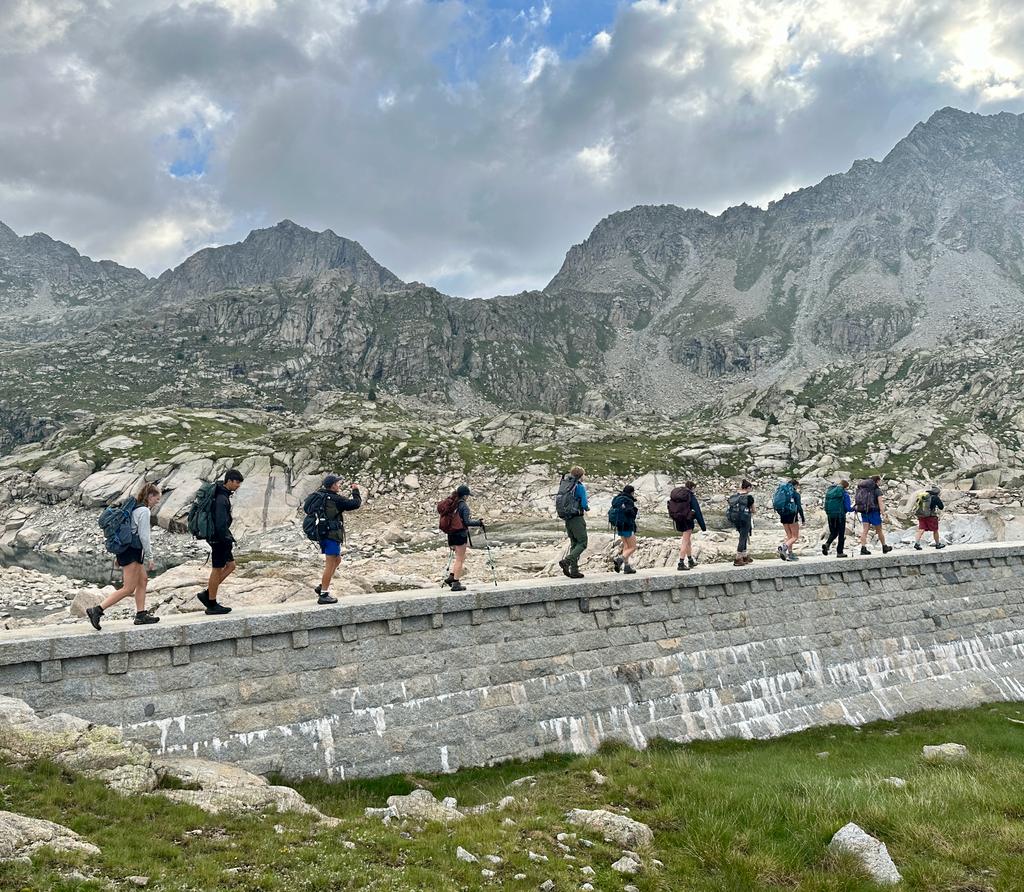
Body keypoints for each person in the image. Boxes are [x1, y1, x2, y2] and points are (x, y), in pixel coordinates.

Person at [86, 483, 162, 630]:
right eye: (157, 499)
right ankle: (97, 610)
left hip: (128, 550)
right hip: (132, 551)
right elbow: (144, 537)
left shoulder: (132, 507)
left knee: (143, 580)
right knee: (128, 588)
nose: (157, 502)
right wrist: (150, 557)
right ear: (150, 496)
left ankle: (141, 615)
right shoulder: (144, 511)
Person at [195, 469, 244, 615]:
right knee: (217, 568)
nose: (238, 486)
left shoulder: (220, 494)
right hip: (218, 539)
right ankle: (211, 603)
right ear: (229, 481)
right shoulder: (222, 498)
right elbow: (221, 523)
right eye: (237, 482)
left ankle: (208, 594)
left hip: (218, 537)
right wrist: (226, 540)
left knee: (231, 565)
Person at [312, 475, 362, 605]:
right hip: (331, 535)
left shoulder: (321, 495)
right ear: (333, 485)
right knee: (330, 563)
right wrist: (355, 490)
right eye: (338, 483)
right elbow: (355, 504)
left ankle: (323, 584)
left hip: (323, 534)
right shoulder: (335, 499)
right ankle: (323, 594)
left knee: (337, 559)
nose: (339, 485)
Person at [441, 484, 485, 592]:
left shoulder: (452, 504)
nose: (468, 497)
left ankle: (452, 576)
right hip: (460, 534)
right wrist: (479, 523)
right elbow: (467, 522)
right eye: (467, 495)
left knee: (460, 557)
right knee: (460, 559)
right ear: (465, 496)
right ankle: (456, 583)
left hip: (451, 534)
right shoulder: (463, 506)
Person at [555, 466, 589, 579]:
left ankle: (574, 571)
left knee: (574, 543)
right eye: (584, 474)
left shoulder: (566, 485)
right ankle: (567, 561)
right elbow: (584, 504)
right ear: (580, 476)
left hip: (567, 518)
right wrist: (587, 508)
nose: (584, 476)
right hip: (577, 518)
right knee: (583, 542)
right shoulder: (579, 487)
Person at [667, 481, 706, 571]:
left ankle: (690, 560)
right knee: (685, 541)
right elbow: (698, 512)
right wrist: (703, 527)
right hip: (687, 521)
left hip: (678, 520)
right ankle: (681, 563)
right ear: (692, 488)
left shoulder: (678, 496)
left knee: (688, 541)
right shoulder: (690, 496)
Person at [855, 475, 893, 556]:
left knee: (865, 530)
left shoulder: (863, 488)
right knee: (879, 530)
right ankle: (884, 546)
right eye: (880, 481)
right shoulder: (877, 490)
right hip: (874, 512)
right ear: (877, 481)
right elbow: (880, 503)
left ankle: (863, 548)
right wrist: (883, 513)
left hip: (864, 511)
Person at [773, 478, 806, 561]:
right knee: (795, 536)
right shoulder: (795, 494)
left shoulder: (783, 492)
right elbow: (799, 507)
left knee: (789, 536)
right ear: (795, 486)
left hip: (783, 515)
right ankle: (783, 547)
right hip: (792, 515)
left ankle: (790, 553)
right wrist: (803, 518)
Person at [609, 484, 639, 575]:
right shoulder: (628, 501)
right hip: (627, 525)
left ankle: (627, 567)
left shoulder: (617, 499)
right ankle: (620, 559)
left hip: (619, 525)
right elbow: (630, 513)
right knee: (633, 547)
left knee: (626, 545)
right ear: (632, 492)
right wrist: (635, 510)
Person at [727, 479, 755, 566]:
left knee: (743, 536)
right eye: (751, 488)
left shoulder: (735, 497)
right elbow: (753, 510)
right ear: (748, 487)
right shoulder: (749, 497)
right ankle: (738, 558)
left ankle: (745, 556)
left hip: (735, 519)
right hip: (745, 519)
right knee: (743, 537)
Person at [822, 479, 853, 557]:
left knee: (833, 532)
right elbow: (848, 508)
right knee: (841, 534)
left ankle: (827, 544)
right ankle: (840, 552)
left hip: (830, 515)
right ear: (845, 487)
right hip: (840, 516)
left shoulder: (830, 492)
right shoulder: (844, 493)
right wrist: (855, 508)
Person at [913, 485, 946, 550]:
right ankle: (937, 544)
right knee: (935, 530)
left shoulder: (923, 496)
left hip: (921, 515)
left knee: (921, 529)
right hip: (931, 516)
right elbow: (941, 507)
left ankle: (917, 543)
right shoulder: (935, 498)